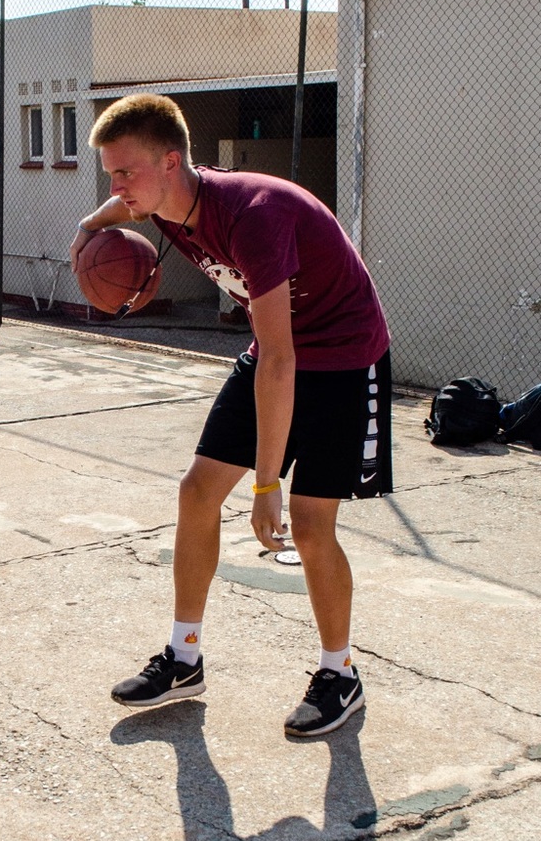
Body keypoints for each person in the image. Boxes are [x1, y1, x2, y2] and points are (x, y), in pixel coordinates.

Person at [71, 94, 391, 737]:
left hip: (343, 355)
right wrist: (88, 231)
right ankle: (184, 657)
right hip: (281, 351)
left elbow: (279, 359)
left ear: (170, 161)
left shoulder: (254, 216)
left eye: (125, 171)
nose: (118, 186)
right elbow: (112, 207)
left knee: (306, 522)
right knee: (197, 492)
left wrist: (266, 483)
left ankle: (341, 674)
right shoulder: (160, 201)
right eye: (110, 173)